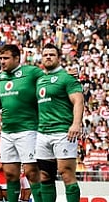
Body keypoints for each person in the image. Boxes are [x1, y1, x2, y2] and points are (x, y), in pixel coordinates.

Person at [35, 44, 84, 202]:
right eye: (45, 54)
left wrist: (76, 124)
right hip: (42, 133)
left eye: (52, 54)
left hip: (63, 131)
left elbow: (78, 100)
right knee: (44, 175)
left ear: (59, 58)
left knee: (66, 173)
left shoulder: (67, 78)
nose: (48, 57)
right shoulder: (39, 79)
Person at [0, 44, 44, 202]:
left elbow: (49, 78)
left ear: (17, 58)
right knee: (10, 174)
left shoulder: (31, 72)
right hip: (7, 131)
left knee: (31, 171)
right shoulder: (1, 76)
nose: (2, 62)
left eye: (6, 58)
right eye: (0, 58)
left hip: (28, 129)